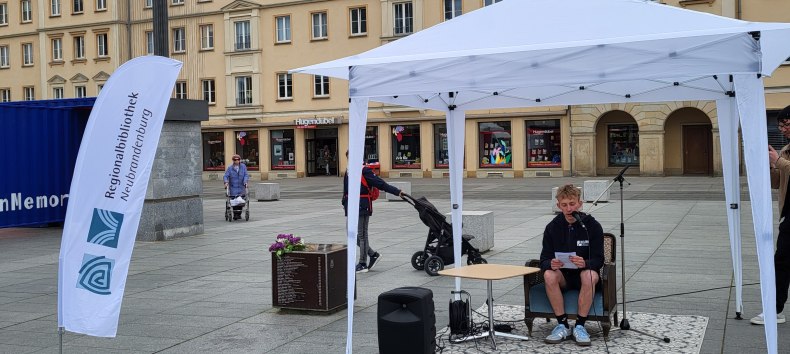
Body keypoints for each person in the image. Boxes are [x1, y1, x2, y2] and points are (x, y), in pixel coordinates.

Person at [539, 184, 604, 346]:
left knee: (589, 274)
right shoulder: (552, 227)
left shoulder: (592, 226)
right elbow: (543, 259)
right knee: (548, 274)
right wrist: (551, 263)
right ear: (559, 205)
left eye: (572, 204)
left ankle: (580, 326)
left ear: (579, 204)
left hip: (584, 273)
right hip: (563, 276)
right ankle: (562, 324)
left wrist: (585, 263)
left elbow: (599, 259)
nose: (569, 209)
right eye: (564, 205)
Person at [753, 105, 790, 325]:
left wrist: (779, 161)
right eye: (780, 125)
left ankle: (775, 309)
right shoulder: (786, 149)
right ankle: (775, 310)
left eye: (786, 124)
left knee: (783, 260)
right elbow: (778, 183)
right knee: (782, 261)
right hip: (788, 214)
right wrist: (770, 166)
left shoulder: (783, 154)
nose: (783, 129)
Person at [342, 150, 404, 273]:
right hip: (351, 206)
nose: (350, 160)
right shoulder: (348, 171)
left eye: (352, 157)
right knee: (351, 234)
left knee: (362, 234)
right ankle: (373, 254)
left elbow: (380, 184)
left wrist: (397, 192)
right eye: (348, 158)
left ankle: (362, 263)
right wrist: (344, 204)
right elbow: (346, 190)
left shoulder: (364, 170)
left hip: (362, 205)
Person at [223, 154, 249, 220]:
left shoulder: (243, 167)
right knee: (234, 201)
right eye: (235, 160)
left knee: (241, 201)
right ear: (233, 160)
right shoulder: (230, 168)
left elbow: (246, 175)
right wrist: (226, 182)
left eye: (238, 160)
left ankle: (239, 214)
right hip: (233, 187)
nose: (237, 161)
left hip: (241, 187)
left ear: (240, 160)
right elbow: (225, 176)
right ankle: (235, 214)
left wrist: (245, 181)